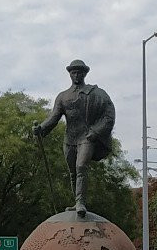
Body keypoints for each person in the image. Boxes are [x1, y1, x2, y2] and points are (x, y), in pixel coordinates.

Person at [33, 59, 116, 216]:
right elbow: (54, 117)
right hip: (70, 139)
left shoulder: (96, 93)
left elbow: (109, 115)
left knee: (81, 167)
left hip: (87, 137)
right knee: (72, 172)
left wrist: (96, 132)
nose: (76, 75)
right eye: (73, 72)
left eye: (79, 72)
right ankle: (76, 201)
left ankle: (80, 202)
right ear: (70, 74)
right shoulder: (63, 97)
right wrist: (41, 128)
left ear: (85, 73)